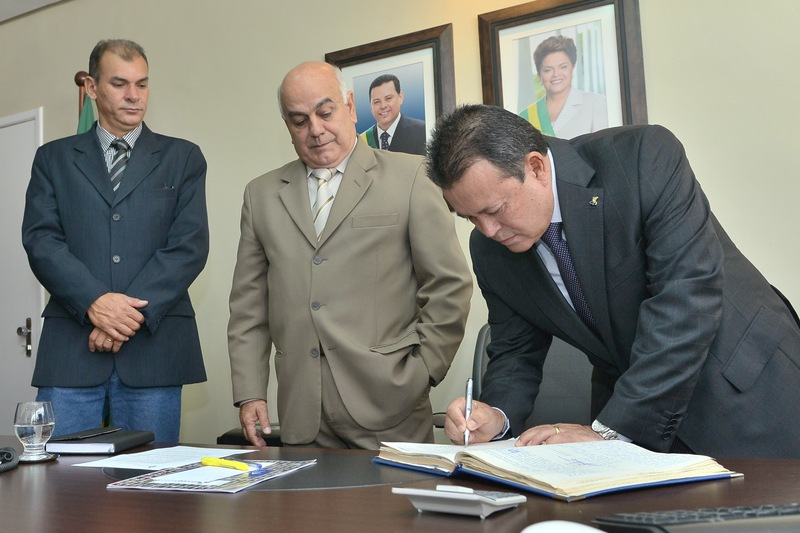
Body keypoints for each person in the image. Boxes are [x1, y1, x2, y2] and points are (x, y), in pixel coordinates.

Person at [427, 104, 800, 459]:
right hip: (630, 413)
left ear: (536, 167)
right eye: (470, 218)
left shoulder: (641, 159)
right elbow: (515, 351)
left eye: (494, 210)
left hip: (744, 389)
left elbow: (686, 299)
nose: (488, 230)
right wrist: (494, 416)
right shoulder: (490, 251)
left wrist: (611, 431)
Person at [227, 62, 472, 450]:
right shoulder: (261, 196)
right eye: (299, 121)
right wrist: (250, 391)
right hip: (302, 414)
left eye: (325, 112)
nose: (315, 129)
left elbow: (449, 285)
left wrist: (422, 371)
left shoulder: (412, 177)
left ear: (351, 106)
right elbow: (248, 306)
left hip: (390, 408)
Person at [21, 39, 209, 442]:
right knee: (60, 475)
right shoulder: (53, 159)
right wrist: (95, 302)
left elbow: (188, 246)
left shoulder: (183, 158)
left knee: (150, 478)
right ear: (92, 87)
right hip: (71, 350)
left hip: (154, 350)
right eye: (120, 84)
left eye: (142, 84)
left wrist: (122, 318)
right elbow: (42, 241)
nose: (133, 95)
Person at [520, 35, 608, 139]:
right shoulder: (525, 116)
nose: (556, 74)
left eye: (563, 67)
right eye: (548, 70)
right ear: (539, 74)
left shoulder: (595, 103)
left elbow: (602, 145)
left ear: (572, 67)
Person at [360, 74, 427, 155]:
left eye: (388, 98)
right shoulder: (362, 141)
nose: (383, 106)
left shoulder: (421, 131)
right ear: (371, 106)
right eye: (377, 102)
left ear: (400, 97)